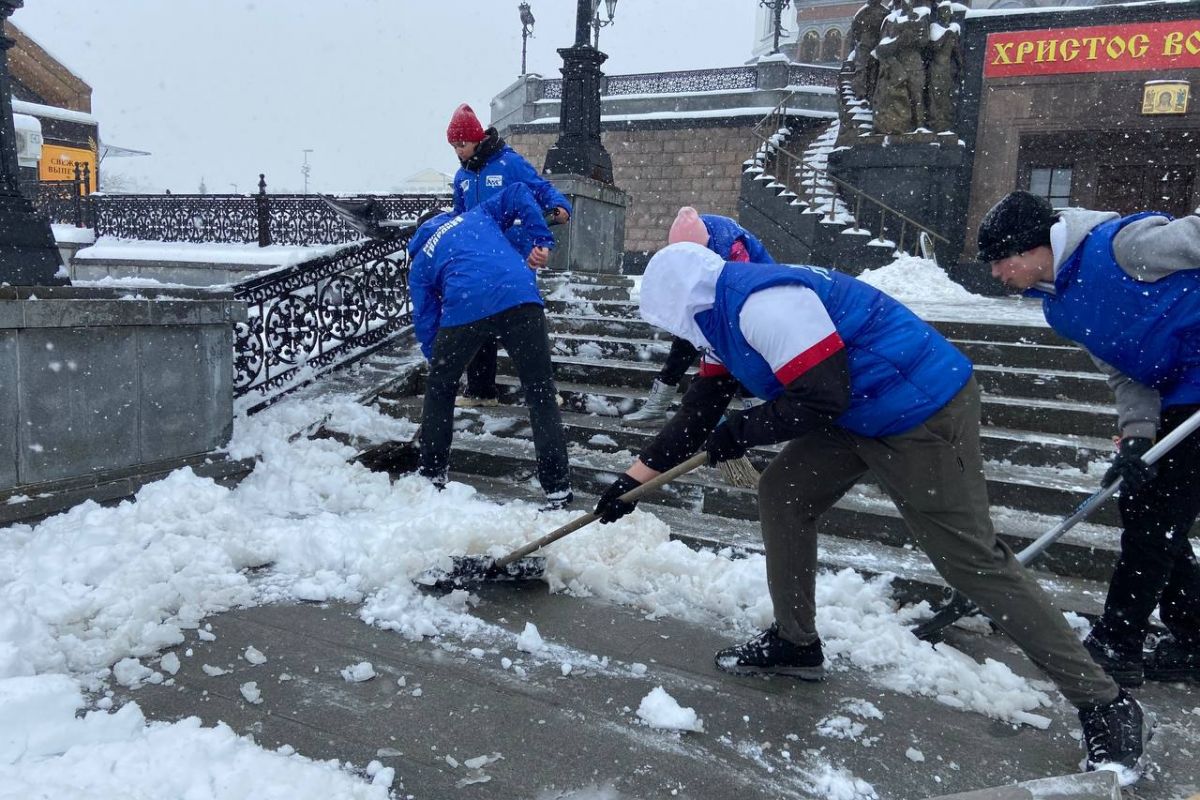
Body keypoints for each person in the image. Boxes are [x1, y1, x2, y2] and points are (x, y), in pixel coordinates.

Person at [593, 241, 1149, 778]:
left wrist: (742, 431)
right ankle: (796, 642)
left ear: (680, 304)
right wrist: (630, 483)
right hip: (856, 411)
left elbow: (819, 397)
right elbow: (700, 411)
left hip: (919, 410)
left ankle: (1105, 702)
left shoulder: (766, 304)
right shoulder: (717, 318)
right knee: (783, 493)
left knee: (970, 560)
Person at [978, 190, 1200, 689]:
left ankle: (1118, 643)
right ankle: (1193, 635)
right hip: (1171, 397)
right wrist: (1138, 437)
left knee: (1156, 520)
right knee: (1149, 509)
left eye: (1000, 262)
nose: (997, 274)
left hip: (1196, 392)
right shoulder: (1060, 309)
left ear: (1033, 248)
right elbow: (1125, 373)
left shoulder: (1125, 246)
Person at [407, 182, 572, 510]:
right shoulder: (477, 216)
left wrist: (438, 361)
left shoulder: (421, 260)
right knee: (540, 393)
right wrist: (542, 237)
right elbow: (518, 192)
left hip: (466, 304)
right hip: (520, 296)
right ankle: (557, 488)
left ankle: (432, 473)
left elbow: (426, 322)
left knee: (441, 389)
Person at [446, 103, 572, 408]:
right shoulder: (462, 178)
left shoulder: (508, 164)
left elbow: (541, 189)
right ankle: (481, 390)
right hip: (479, 262)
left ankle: (542, 391)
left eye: (462, 145)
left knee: (522, 325)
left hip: (513, 258)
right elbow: (459, 217)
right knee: (478, 323)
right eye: (454, 146)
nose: (458, 152)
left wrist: (561, 206)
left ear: (477, 140)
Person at [621, 207, 777, 427]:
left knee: (741, 352)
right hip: (717, 291)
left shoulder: (732, 246)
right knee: (684, 342)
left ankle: (760, 417)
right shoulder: (686, 236)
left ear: (704, 247)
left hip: (757, 295)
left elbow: (740, 288)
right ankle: (656, 407)